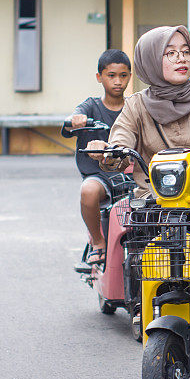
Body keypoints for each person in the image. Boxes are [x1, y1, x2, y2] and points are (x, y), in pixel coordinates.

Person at [86, 26, 190, 238]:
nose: (182, 59)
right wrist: (108, 151)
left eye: (186, 52)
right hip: (153, 201)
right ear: (150, 60)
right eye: (171, 53)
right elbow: (121, 140)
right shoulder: (136, 106)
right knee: (141, 260)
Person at [64, 49, 132, 264]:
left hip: (132, 173)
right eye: (111, 76)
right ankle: (97, 240)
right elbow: (74, 118)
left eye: (123, 75)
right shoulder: (90, 106)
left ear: (130, 76)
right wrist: (77, 120)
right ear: (99, 77)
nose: (118, 82)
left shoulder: (135, 107)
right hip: (100, 176)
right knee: (89, 191)